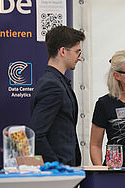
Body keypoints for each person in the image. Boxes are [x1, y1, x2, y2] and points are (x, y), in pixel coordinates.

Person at [29, 26, 85, 167]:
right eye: (77, 52)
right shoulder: (52, 85)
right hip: (58, 174)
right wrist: (56, 167)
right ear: (63, 51)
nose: (79, 57)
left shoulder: (59, 83)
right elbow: (37, 134)